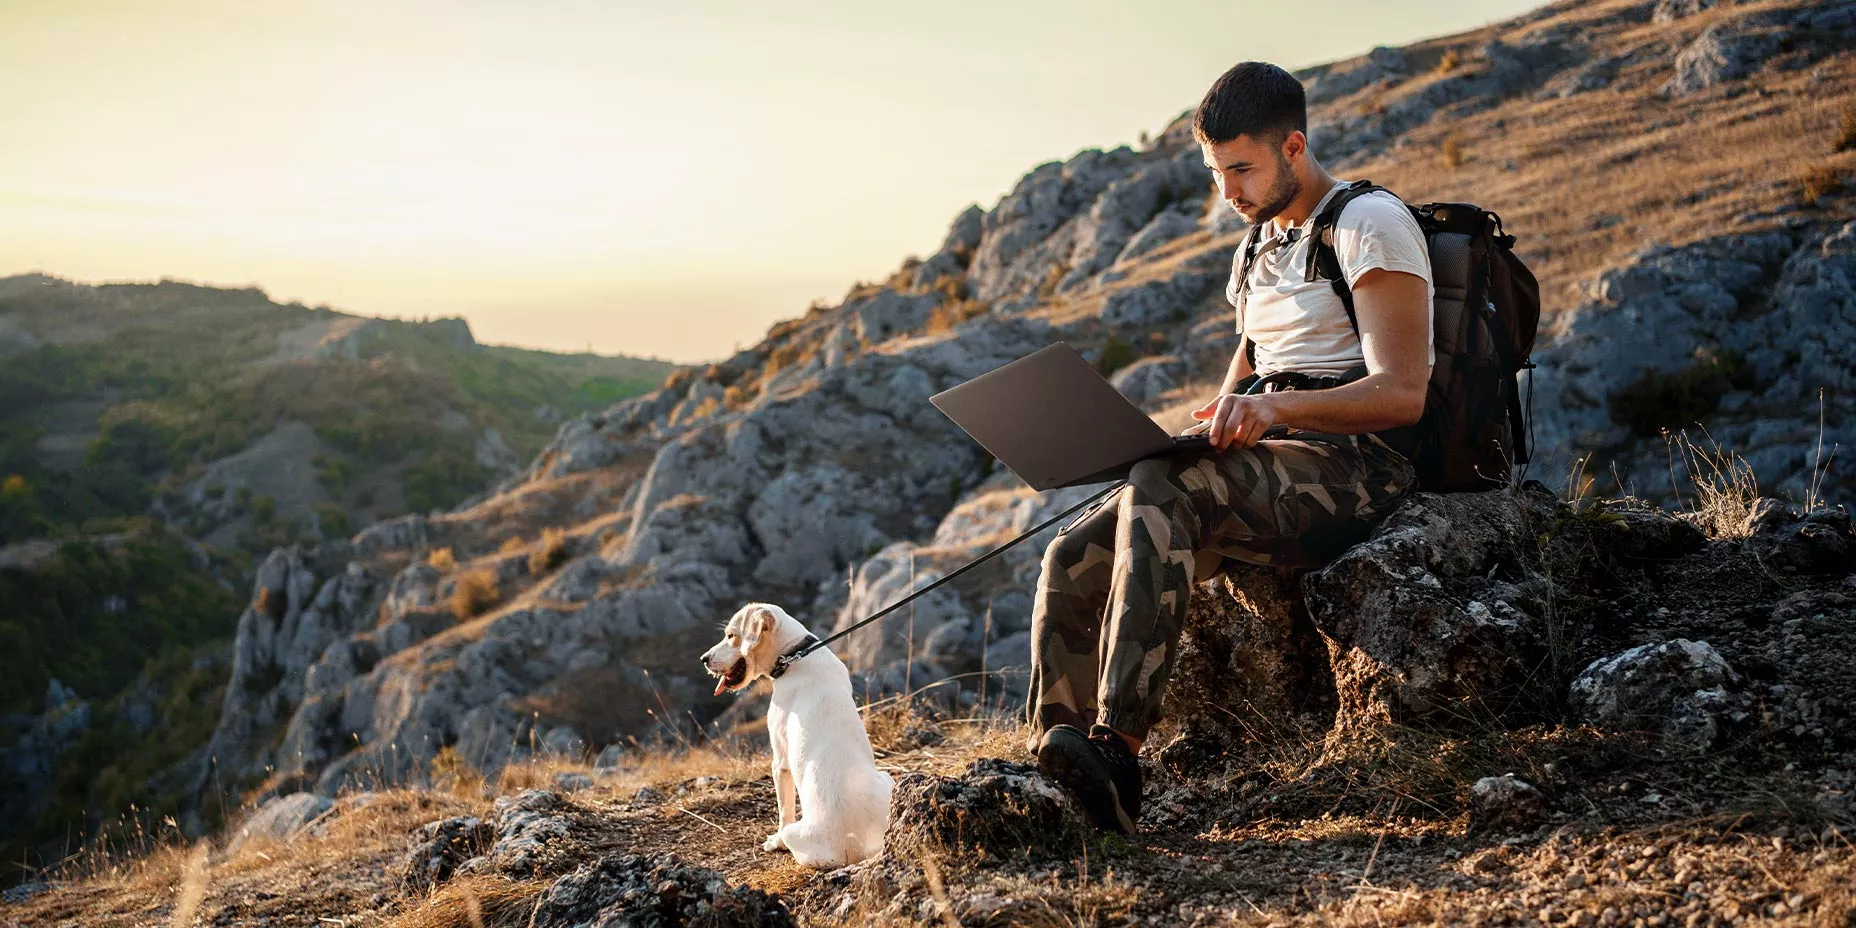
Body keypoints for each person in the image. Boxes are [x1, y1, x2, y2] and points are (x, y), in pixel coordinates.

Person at [1025, 61, 1436, 833]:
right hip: (1274, 465)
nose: (1229, 193)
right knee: (1072, 554)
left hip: (1362, 466)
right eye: (1217, 173)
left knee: (1163, 489)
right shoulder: (1254, 250)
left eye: (1241, 169)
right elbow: (1239, 384)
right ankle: (1054, 758)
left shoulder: (1367, 224)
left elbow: (1402, 391)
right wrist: (1193, 430)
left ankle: (1116, 753)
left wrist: (1274, 408)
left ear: (1294, 146)